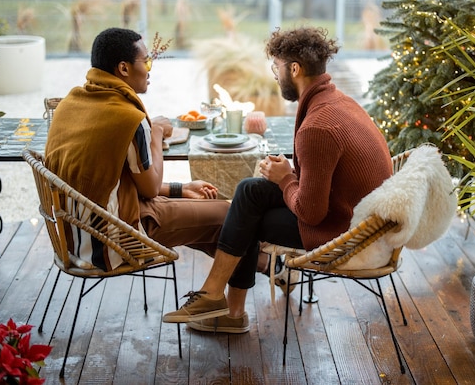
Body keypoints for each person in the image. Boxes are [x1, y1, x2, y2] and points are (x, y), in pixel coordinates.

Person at [162, 26, 393, 334]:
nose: (275, 75)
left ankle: (226, 309)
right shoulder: (340, 103)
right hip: (360, 216)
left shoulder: (317, 127)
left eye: (277, 67)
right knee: (249, 191)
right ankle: (217, 299)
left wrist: (286, 180)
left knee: (248, 217)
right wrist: (289, 175)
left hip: (348, 232)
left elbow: (312, 213)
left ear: (294, 69)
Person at [45, 27, 230, 271]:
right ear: (123, 68)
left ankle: (266, 266)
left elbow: (113, 182)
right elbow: (151, 189)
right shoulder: (129, 119)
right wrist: (155, 134)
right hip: (116, 239)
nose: (150, 69)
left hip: (73, 236)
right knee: (230, 213)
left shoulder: (71, 104)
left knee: (215, 225)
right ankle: (249, 279)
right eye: (147, 62)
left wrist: (181, 189)